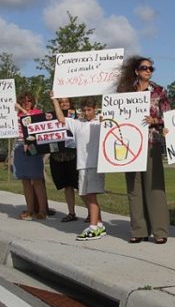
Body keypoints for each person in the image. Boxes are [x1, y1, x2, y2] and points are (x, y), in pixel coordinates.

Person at [116, 56, 170, 244]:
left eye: (151, 68)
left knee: (154, 187)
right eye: (144, 68)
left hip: (151, 143)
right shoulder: (123, 92)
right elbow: (116, 116)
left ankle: (160, 231)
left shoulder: (159, 91)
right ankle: (139, 230)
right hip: (129, 145)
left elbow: (169, 116)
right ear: (136, 71)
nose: (148, 71)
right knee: (134, 189)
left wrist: (155, 121)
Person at [52, 96, 106, 240]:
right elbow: (61, 119)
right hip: (82, 164)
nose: (87, 113)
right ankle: (99, 225)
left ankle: (93, 227)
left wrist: (105, 121)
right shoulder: (77, 123)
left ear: (95, 109)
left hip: (94, 164)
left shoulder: (100, 122)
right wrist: (55, 101)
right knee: (83, 194)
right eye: (84, 110)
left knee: (91, 195)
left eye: (89, 110)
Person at [14, 93, 49, 220]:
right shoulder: (15, 115)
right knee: (25, 180)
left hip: (33, 147)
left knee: (37, 180)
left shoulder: (37, 112)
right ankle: (29, 209)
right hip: (18, 147)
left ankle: (42, 210)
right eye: (23, 101)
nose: (26, 103)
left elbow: (31, 121)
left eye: (29, 101)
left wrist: (21, 110)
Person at [49, 97, 79, 222]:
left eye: (66, 101)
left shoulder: (77, 115)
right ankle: (71, 212)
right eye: (61, 102)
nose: (64, 104)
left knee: (80, 186)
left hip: (74, 154)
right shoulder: (50, 116)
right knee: (67, 186)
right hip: (59, 155)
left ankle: (92, 213)